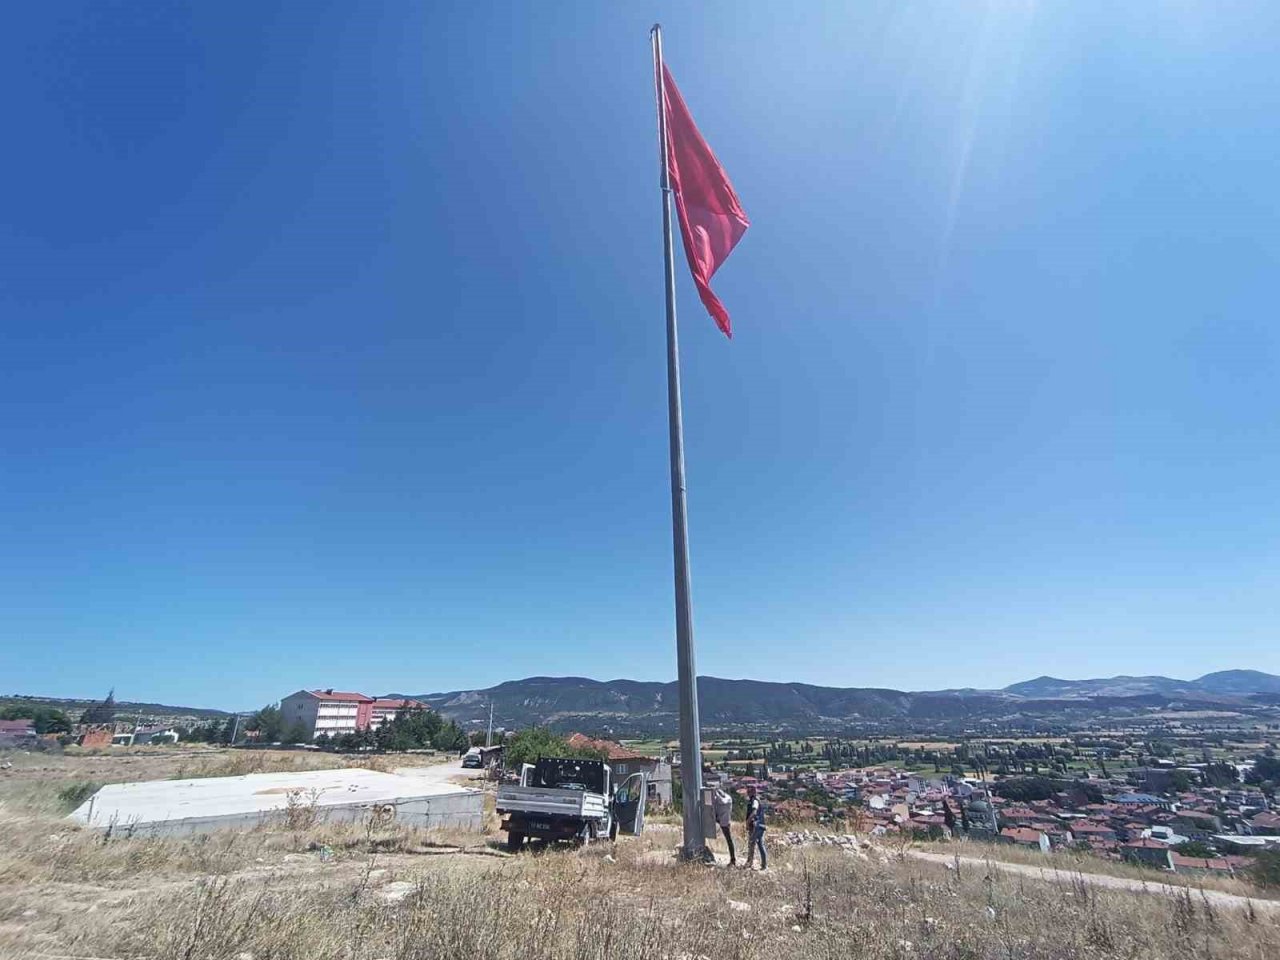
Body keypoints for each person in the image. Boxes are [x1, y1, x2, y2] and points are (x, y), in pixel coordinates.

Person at [711, 784, 736, 866]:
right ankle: (733, 859)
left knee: (729, 840)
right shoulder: (720, 798)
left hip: (725, 822)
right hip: (719, 819)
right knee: (728, 840)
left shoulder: (727, 799)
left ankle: (733, 859)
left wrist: (715, 793)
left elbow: (722, 801)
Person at [744, 784, 767, 870]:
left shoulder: (754, 801)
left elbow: (754, 812)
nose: (747, 792)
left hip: (756, 826)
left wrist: (747, 822)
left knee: (751, 844)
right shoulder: (754, 800)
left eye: (749, 791)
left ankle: (750, 862)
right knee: (760, 844)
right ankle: (763, 865)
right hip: (759, 825)